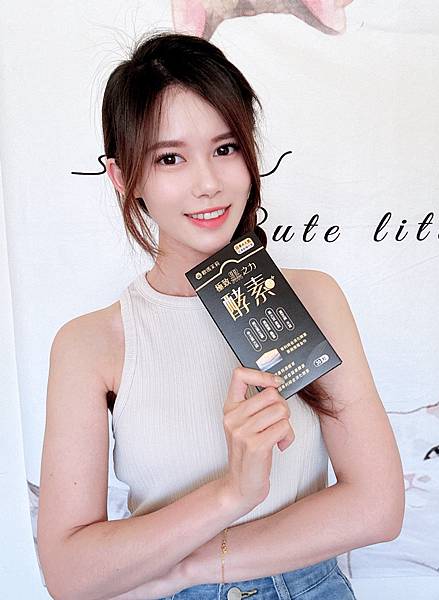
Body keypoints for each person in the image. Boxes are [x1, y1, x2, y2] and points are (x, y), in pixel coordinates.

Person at [37, 30, 404, 600]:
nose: (208, 184)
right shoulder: (90, 345)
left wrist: (190, 567)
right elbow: (69, 573)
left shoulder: (312, 299)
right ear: (124, 176)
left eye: (226, 148)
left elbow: (378, 507)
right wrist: (233, 493)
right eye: (170, 158)